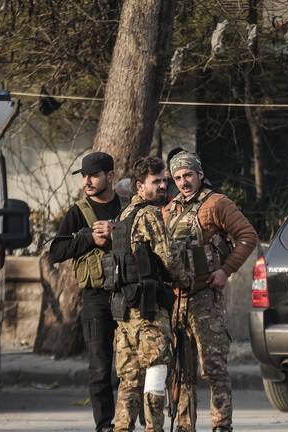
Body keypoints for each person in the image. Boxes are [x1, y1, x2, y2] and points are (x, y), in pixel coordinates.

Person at [163, 151, 259, 432]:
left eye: (188, 175)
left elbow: (248, 236)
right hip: (177, 301)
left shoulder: (216, 203)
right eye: (178, 177)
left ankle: (221, 425)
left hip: (206, 299)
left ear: (200, 175)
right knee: (181, 370)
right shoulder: (170, 210)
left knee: (214, 368)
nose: (184, 182)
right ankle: (184, 426)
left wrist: (225, 270)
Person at [109, 156, 187, 432]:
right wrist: (185, 280)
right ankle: (154, 428)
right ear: (140, 187)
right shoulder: (148, 214)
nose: (163, 186)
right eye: (157, 182)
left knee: (128, 381)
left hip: (124, 312)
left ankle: (122, 428)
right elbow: (168, 257)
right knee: (156, 371)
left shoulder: (122, 217)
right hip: (148, 311)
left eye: (165, 180)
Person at [49, 151, 121, 432]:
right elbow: (56, 251)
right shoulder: (78, 212)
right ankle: (105, 425)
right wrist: (90, 238)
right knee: (101, 368)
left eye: (94, 175)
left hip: (129, 295)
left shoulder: (128, 207)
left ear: (110, 176)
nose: (87, 181)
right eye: (84, 176)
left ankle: (132, 420)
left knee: (135, 365)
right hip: (96, 298)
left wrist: (118, 232)